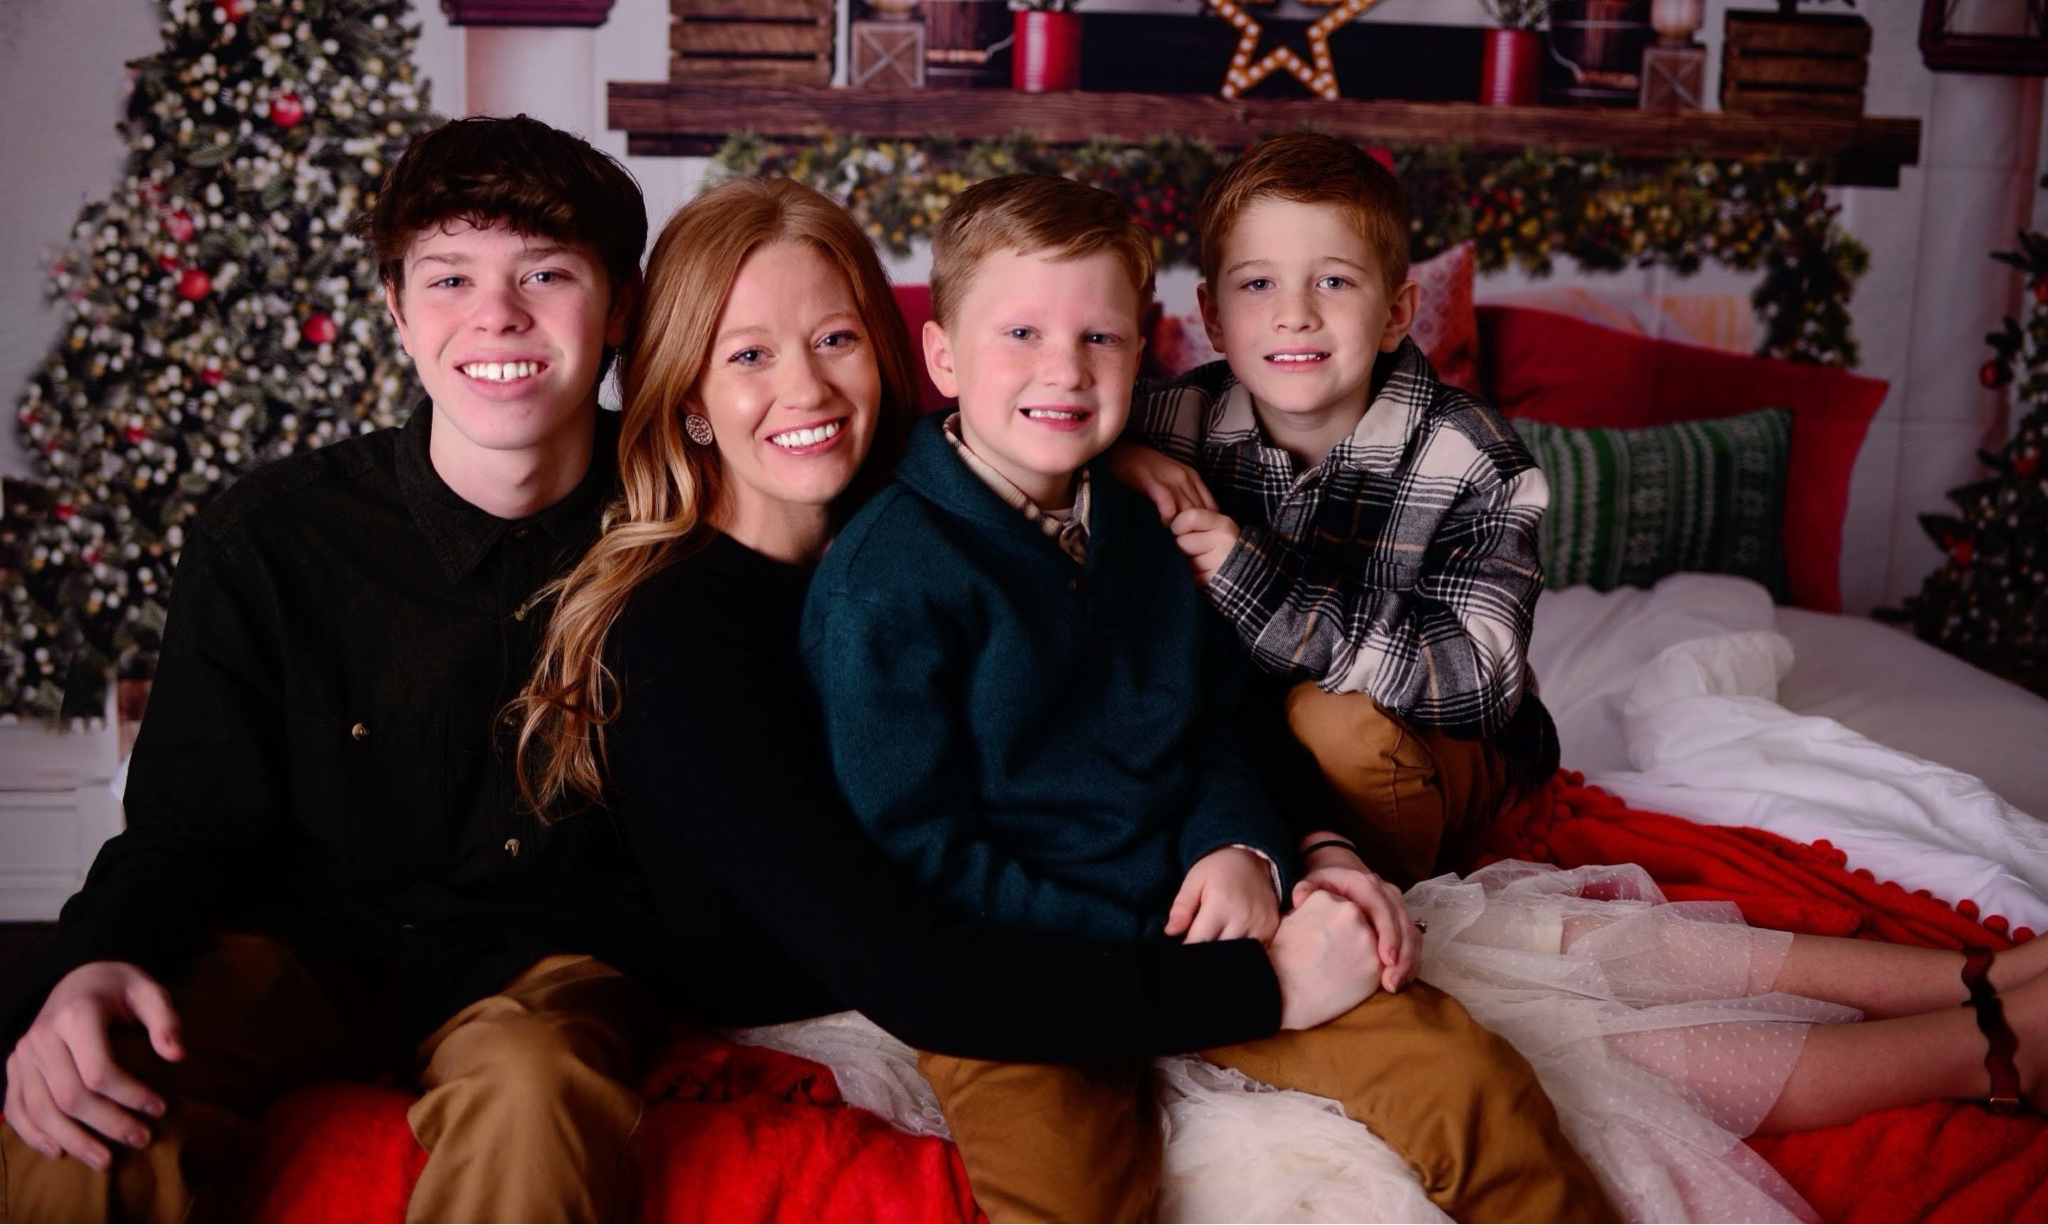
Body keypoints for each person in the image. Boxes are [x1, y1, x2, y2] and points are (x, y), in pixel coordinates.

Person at [508, 176, 1396, 1216]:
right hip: (860, 991)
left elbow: (1193, 694)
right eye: (748, 353)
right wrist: (1263, 985)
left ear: (895, 356)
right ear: (689, 397)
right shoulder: (676, 642)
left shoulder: (930, 522)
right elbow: (900, 958)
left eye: (835, 339)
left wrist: (1312, 843)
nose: (806, 389)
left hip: (1038, 924)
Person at [803, 172, 1617, 1224]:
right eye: (1019, 334)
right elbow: (915, 849)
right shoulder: (886, 575)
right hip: (1021, 965)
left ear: (1144, 353)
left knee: (1471, 1082)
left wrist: (1241, 844)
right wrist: (1132, 944)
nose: (1063, 367)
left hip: (1205, 920)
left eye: (1099, 339)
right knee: (1065, 1193)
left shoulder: (1140, 519)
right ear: (943, 357)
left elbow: (1213, 720)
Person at [1, 115, 666, 1222]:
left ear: (619, 308)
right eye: (449, 276)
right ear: (398, 312)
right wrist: (93, 960)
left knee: (535, 1081)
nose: (496, 314)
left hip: (544, 972)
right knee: (87, 1101)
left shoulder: (681, 534)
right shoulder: (268, 538)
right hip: (296, 952)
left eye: (545, 273)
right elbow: (180, 827)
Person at [1113, 130, 1559, 885]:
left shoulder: (1472, 455)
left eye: (1334, 282)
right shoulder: (1164, 424)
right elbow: (1012, 449)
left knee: (1334, 724)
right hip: (1244, 741)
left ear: (1396, 311)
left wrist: (1248, 578)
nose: (1294, 314)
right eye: (1257, 284)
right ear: (1213, 316)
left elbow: (1481, 676)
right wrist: (1113, 455)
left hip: (1431, 740)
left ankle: (1365, 905)